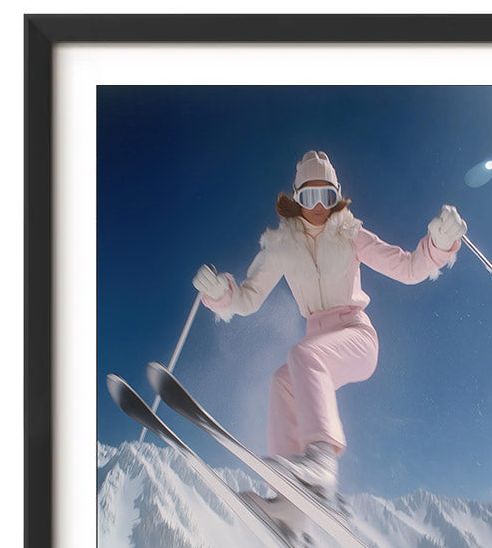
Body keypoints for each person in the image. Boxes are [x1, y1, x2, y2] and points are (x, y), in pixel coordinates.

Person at [193, 149, 466, 516]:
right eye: (309, 197)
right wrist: (219, 294)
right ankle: (289, 505)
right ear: (295, 198)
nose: (319, 207)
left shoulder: (350, 234)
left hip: (357, 337)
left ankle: (320, 465)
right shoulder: (282, 247)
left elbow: (408, 268)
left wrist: (438, 243)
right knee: (282, 382)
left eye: (327, 196)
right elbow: (247, 299)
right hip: (317, 344)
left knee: (304, 355)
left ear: (338, 199)